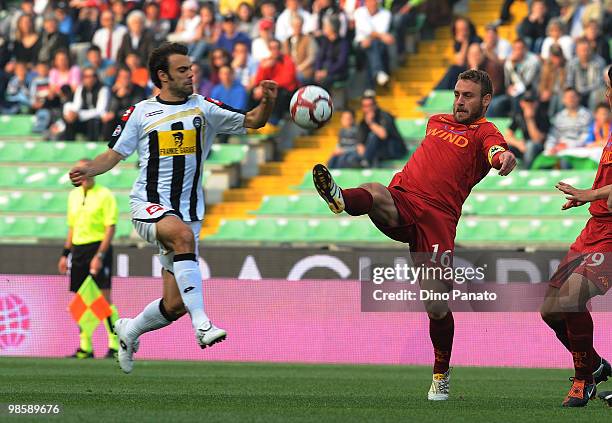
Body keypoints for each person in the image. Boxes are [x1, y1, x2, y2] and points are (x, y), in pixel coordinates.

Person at [68, 42, 277, 374]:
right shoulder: (139, 112)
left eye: (190, 68)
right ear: (162, 76)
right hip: (147, 205)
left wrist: (267, 102)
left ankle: (129, 330)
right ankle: (203, 324)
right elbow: (113, 154)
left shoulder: (204, 107)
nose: (191, 73)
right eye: (182, 70)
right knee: (181, 238)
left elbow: (253, 121)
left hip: (189, 212)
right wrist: (88, 169)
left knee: (174, 304)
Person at [312, 69, 516, 400]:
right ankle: (340, 199)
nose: (459, 101)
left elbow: (496, 151)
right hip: (404, 200)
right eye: (457, 94)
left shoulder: (485, 132)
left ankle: (441, 373)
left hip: (438, 220)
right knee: (375, 190)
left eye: (468, 96)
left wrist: (503, 157)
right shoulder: (436, 120)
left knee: (436, 306)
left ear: (486, 100)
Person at [539, 66, 612, 407]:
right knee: (551, 310)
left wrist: (589, 193)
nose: (607, 95)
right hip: (592, 229)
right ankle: (595, 365)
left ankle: (583, 381)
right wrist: (592, 195)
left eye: (610, 88)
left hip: (611, 234)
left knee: (570, 300)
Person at [58, 159, 119, 360]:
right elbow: (71, 227)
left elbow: (110, 227)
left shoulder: (105, 195)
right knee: (81, 301)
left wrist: (99, 255)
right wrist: (65, 254)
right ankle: (86, 346)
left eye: (83, 171)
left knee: (103, 298)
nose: (81, 175)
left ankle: (115, 343)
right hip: (78, 249)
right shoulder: (73, 196)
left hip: (98, 247)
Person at [354, 0, 395, 88]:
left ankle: (370, 87)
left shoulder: (386, 13)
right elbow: (368, 30)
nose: (373, 3)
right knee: (373, 46)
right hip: (361, 46)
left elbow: (380, 31)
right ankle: (379, 72)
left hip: (374, 45)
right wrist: (379, 36)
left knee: (372, 47)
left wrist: (370, 38)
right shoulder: (359, 12)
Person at [544, 87, 593, 160]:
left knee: (564, 160)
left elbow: (586, 137)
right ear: (563, 100)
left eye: (573, 97)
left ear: (579, 98)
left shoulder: (587, 115)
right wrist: (550, 148)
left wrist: (567, 146)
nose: (570, 99)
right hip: (559, 148)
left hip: (578, 149)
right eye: (567, 97)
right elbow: (553, 136)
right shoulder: (559, 117)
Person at [62, 67, 110, 141]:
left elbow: (100, 111)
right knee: (69, 121)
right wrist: (70, 113)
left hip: (98, 121)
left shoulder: (103, 89)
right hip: (83, 119)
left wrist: (79, 114)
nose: (89, 79)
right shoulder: (81, 88)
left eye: (92, 76)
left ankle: (92, 147)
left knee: (93, 121)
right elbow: (76, 106)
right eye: (86, 77)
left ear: (96, 77)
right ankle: (69, 147)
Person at [358, 95, 406, 166]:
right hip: (379, 151)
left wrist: (371, 123)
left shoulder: (384, 116)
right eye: (365, 106)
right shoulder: (363, 122)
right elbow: (360, 144)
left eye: (370, 105)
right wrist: (363, 155)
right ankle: (364, 161)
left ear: (375, 105)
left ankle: (366, 161)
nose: (368, 108)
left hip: (395, 149)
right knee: (348, 156)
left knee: (373, 135)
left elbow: (383, 135)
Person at [566, 37, 606, 109]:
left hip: (593, 91)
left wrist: (583, 90)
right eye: (582, 50)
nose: (585, 53)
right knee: (567, 95)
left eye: (587, 50)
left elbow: (599, 83)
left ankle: (593, 115)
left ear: (591, 50)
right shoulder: (571, 63)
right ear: (577, 51)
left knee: (596, 94)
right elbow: (569, 81)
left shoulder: (599, 62)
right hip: (577, 91)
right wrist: (573, 92)